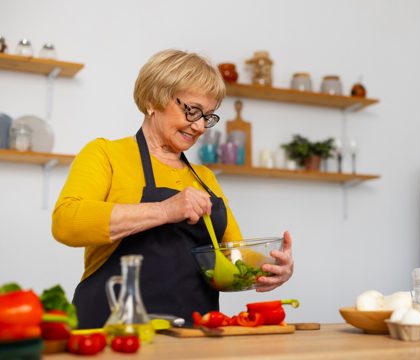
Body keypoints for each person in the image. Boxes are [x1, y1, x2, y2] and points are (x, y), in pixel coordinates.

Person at [52, 49, 294, 329]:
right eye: (192, 110)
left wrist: (270, 267)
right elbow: (66, 222)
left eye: (208, 116)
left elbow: (232, 259)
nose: (200, 126)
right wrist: (167, 209)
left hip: (192, 336)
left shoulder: (205, 178)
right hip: (113, 331)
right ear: (154, 99)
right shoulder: (105, 154)